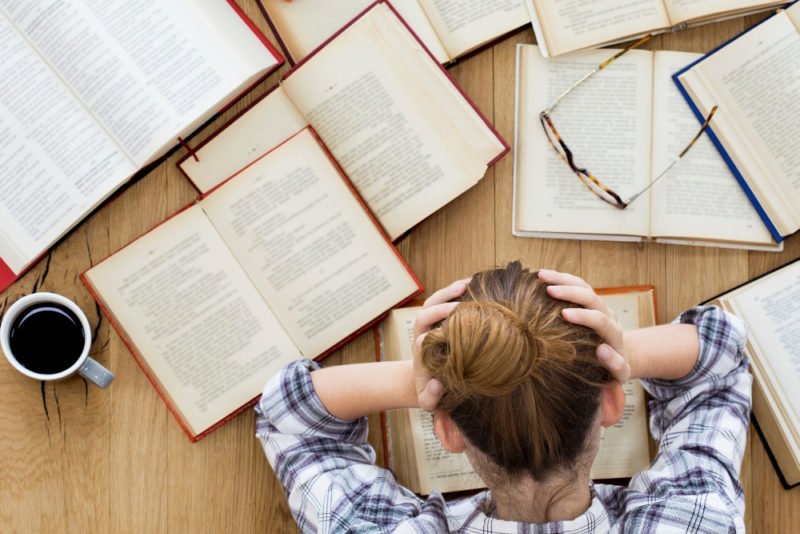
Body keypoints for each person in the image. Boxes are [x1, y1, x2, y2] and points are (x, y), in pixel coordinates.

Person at [255, 261, 751, 533]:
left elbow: (288, 416)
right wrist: (621, 351)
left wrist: (415, 381)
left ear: (446, 429)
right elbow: (721, 359)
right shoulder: (694, 521)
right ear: (612, 403)